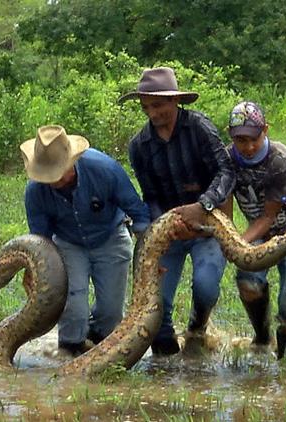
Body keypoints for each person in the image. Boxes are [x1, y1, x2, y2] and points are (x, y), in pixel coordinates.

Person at [119, 67, 236, 355]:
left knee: (206, 286)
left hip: (208, 223)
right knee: (156, 307)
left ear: (174, 101)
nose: (151, 113)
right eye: (145, 107)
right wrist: (167, 222)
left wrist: (203, 204)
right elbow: (151, 195)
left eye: (157, 105)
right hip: (168, 230)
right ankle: (166, 363)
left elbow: (226, 171)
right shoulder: (139, 146)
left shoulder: (199, 128)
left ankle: (197, 329)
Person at [20, 125, 150, 357]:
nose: (53, 180)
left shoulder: (104, 168)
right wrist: (33, 272)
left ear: (73, 162)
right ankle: (70, 351)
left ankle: (97, 341)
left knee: (111, 313)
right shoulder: (35, 192)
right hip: (68, 243)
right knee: (73, 306)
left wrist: (150, 253)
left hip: (111, 235)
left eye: (58, 171)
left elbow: (137, 211)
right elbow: (40, 241)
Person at [220, 101, 286, 359]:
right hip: (262, 235)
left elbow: (268, 216)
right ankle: (262, 339)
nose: (248, 146)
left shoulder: (281, 160)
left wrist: (236, 242)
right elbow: (225, 208)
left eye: (254, 138)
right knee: (248, 282)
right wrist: (227, 235)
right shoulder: (227, 160)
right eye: (241, 140)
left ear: (265, 130)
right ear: (231, 135)